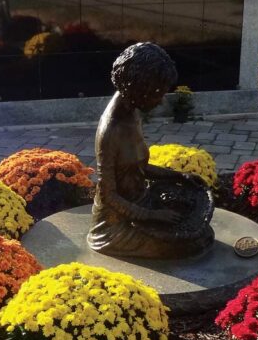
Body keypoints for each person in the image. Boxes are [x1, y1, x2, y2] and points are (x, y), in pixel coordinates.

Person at [88, 42, 214, 259]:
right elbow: (108, 195)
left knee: (202, 233)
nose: (161, 100)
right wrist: (151, 216)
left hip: (141, 202)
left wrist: (180, 176)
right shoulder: (111, 131)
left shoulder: (132, 112)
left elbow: (140, 167)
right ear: (139, 88)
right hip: (115, 225)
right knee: (190, 245)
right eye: (157, 92)